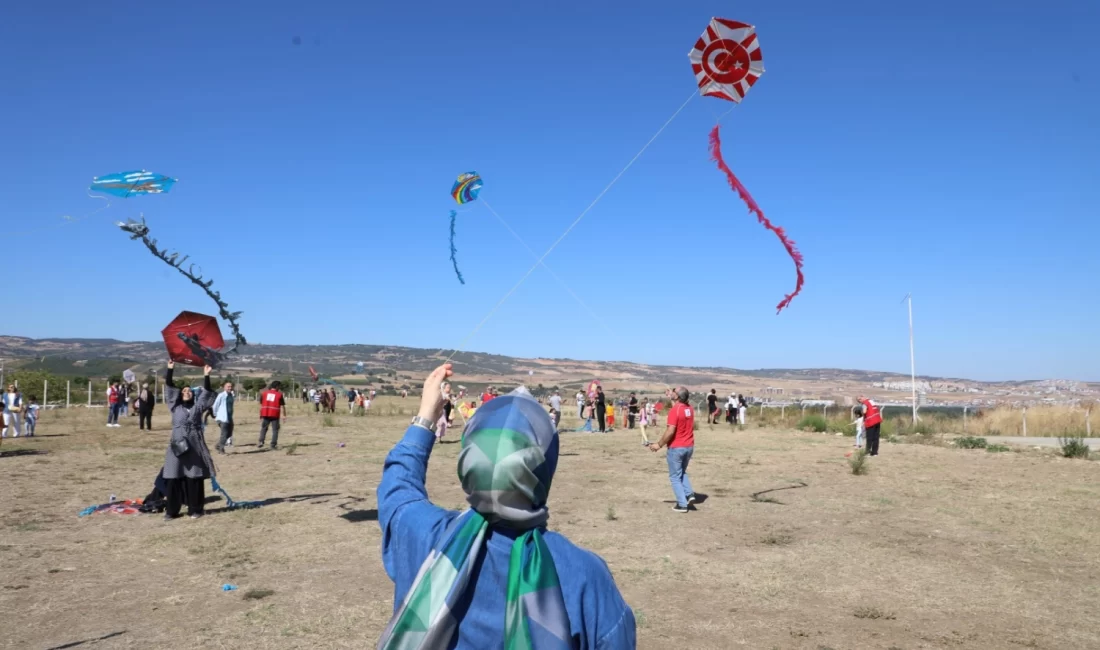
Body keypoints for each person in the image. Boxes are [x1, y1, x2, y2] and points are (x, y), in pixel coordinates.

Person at [377, 364, 636, 648]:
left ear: (467, 465)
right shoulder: (585, 576)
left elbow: (398, 485)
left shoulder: (422, 534)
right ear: (544, 469)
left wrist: (425, 416)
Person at [162, 362, 217, 520]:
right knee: (174, 477)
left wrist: (206, 375)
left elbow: (207, 393)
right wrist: (170, 369)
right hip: (177, 446)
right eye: (184, 391)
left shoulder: (198, 407)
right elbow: (169, 387)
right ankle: (172, 511)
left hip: (194, 445)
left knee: (194, 478)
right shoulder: (175, 407)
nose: (186, 392)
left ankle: (196, 509)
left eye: (189, 391)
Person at [650, 387, 697, 513]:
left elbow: (670, 431)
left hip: (677, 447)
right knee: (681, 472)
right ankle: (689, 494)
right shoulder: (689, 409)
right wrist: (670, 396)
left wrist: (658, 445)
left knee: (675, 477)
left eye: (674, 392)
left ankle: (682, 505)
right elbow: (678, 408)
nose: (672, 392)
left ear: (677, 397)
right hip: (689, 446)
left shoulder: (675, 411)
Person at [258, 381, 287, 450]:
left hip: (265, 413)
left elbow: (261, 404)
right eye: (279, 386)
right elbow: (282, 406)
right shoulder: (279, 395)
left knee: (264, 428)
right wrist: (284, 415)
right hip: (275, 414)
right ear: (277, 386)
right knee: (275, 430)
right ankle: (273, 445)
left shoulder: (264, 393)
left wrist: (261, 414)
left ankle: (261, 441)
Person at [212, 381, 236, 454]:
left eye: (231, 386)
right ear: (224, 387)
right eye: (228, 386)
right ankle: (221, 449)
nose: (230, 388)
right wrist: (215, 414)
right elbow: (215, 405)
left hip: (229, 417)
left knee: (229, 434)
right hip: (222, 418)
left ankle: (218, 445)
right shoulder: (221, 395)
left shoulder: (232, 395)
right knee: (224, 433)